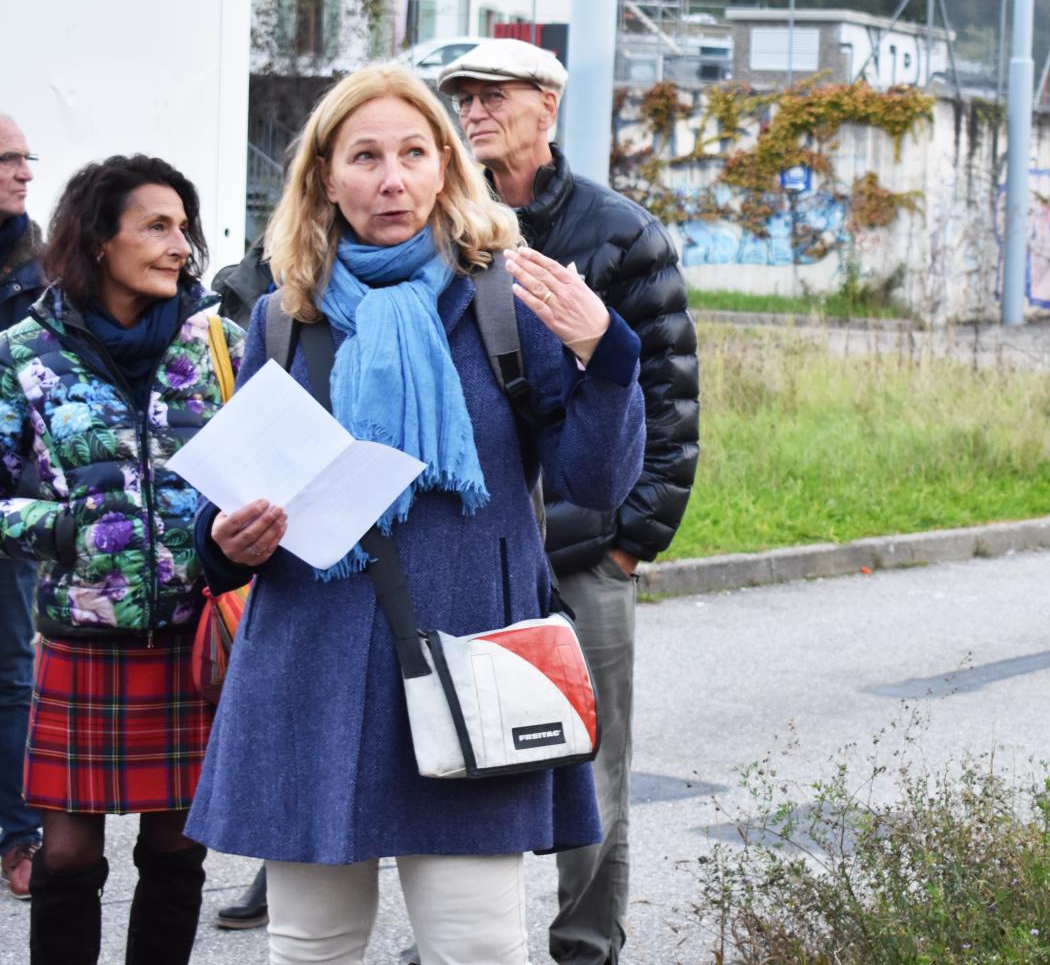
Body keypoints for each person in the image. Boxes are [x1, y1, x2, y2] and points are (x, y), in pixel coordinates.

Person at [184, 63, 646, 965]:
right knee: (310, 946)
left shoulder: (505, 304)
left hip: (470, 656)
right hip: (310, 664)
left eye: (411, 153)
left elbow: (596, 480)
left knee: (474, 947)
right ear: (325, 176)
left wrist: (606, 350)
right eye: (364, 156)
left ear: (445, 167)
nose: (390, 179)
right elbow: (229, 503)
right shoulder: (282, 318)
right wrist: (224, 539)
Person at [438, 39, 699, 965]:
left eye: (494, 95)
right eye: (462, 96)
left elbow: (668, 398)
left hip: (589, 552)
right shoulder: (442, 226)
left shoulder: (619, 232)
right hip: (475, 546)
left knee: (592, 767)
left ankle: (585, 945)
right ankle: (471, 938)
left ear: (547, 109)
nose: (474, 112)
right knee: (469, 750)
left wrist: (631, 541)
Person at [0, 154, 236, 963]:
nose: (181, 247)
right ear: (101, 238)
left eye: (184, 228)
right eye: (157, 227)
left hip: (193, 639)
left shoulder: (219, 344)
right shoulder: (25, 352)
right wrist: (59, 528)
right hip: (81, 638)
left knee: (177, 852)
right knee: (66, 857)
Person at [0, 114, 47, 901]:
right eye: (7, 160)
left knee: (13, 669)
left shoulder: (36, 268)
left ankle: (18, 833)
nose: (25, 172)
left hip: (10, 502)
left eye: (25, 159)